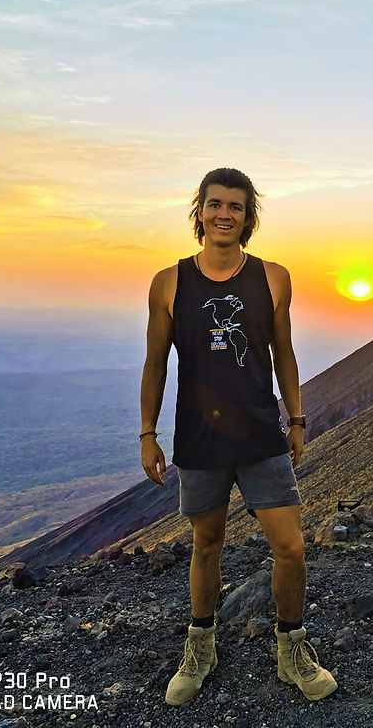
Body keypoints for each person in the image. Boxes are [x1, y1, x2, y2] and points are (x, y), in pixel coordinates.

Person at [139, 167, 338, 706]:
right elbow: (155, 364)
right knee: (207, 544)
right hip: (200, 437)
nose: (225, 213)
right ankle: (200, 645)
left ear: (249, 217)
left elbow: (284, 353)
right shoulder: (169, 282)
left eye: (236, 206)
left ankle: (291, 647)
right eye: (215, 204)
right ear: (198, 212)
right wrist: (147, 433)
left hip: (260, 434)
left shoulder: (273, 277)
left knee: (291, 547)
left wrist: (295, 419)